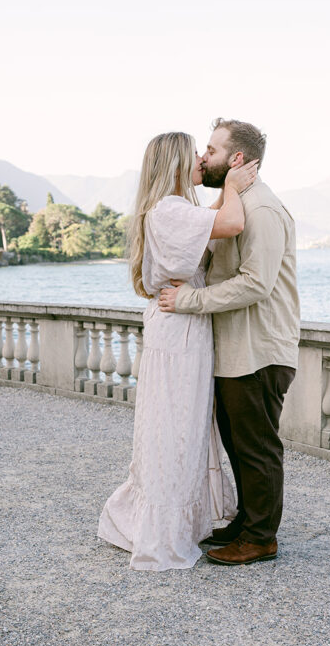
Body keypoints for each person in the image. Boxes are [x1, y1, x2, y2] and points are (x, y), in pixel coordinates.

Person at [97, 131, 258, 571]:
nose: (201, 163)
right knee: (176, 427)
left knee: (179, 426)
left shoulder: (171, 210)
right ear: (173, 165)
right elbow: (231, 225)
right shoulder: (169, 210)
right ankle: (164, 529)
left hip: (181, 327)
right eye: (194, 157)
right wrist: (232, 187)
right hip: (180, 332)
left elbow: (203, 226)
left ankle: (180, 519)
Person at [158, 118, 300, 565]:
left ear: (237, 159)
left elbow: (256, 284)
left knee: (257, 446)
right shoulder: (235, 203)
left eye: (212, 150)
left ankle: (261, 538)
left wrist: (189, 301)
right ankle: (247, 521)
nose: (203, 157)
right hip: (235, 349)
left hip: (258, 349)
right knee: (238, 442)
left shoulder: (261, 210)